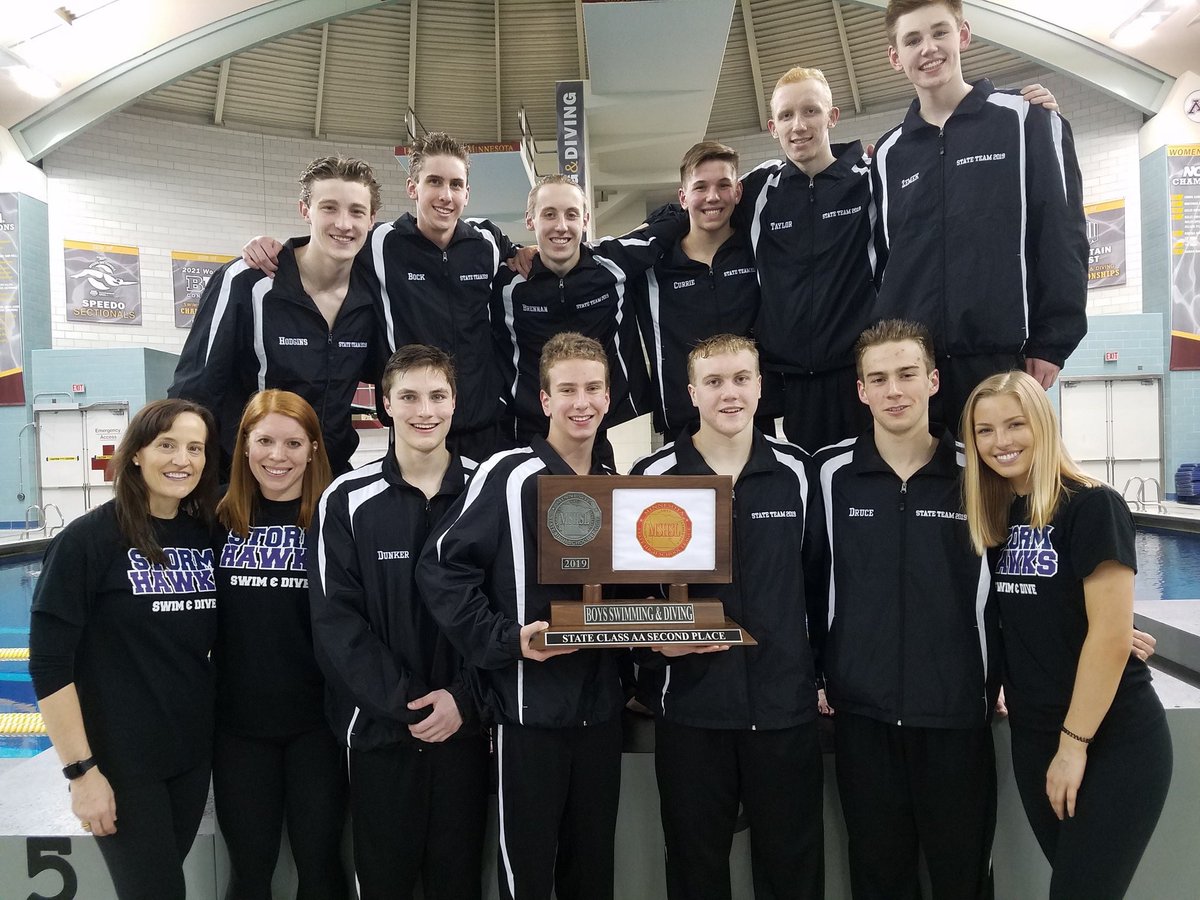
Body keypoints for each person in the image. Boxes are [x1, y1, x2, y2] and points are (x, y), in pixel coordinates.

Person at [417, 332, 625, 900]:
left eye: (592, 389)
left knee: (592, 873)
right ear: (545, 399)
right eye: (567, 390)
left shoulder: (618, 483)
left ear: (608, 398)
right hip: (529, 713)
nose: (581, 402)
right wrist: (508, 640)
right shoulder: (507, 472)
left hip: (601, 713)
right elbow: (441, 568)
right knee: (526, 877)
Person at [962, 371, 1172, 899]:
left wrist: (1074, 746)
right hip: (1035, 736)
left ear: (1044, 424)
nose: (1001, 441)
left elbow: (1107, 635)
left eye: (1016, 424)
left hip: (1109, 737)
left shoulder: (1091, 505)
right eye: (984, 431)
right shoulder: (993, 516)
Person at [630, 334, 824, 900]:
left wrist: (818, 678)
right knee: (694, 869)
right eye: (714, 382)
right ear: (692, 392)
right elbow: (625, 595)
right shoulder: (652, 477)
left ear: (761, 386)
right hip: (691, 712)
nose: (729, 393)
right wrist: (653, 641)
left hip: (784, 712)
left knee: (792, 870)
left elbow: (820, 583)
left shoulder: (799, 473)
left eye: (741, 378)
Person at [811, 319, 998, 899]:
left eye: (907, 374)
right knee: (878, 879)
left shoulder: (979, 474)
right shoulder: (829, 475)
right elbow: (806, 582)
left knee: (962, 879)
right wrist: (821, 671)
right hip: (861, 717)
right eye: (879, 378)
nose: (894, 390)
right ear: (860, 390)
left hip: (957, 716)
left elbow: (1025, 578)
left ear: (933, 380)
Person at [309, 345, 489, 900]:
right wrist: (407, 703)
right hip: (382, 733)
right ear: (385, 404)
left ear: (455, 403)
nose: (424, 411)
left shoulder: (489, 491)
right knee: (384, 884)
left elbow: (507, 610)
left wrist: (464, 698)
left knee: (456, 883)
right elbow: (336, 621)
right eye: (408, 397)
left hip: (467, 728)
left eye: (437, 396)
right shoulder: (347, 498)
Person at [28, 398, 221, 900]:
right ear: (136, 453)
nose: (183, 459)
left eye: (195, 448)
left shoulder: (205, 536)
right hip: (120, 762)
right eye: (167, 445)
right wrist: (81, 773)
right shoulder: (87, 542)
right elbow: (50, 665)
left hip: (188, 756)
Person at [872, 0, 1088, 432]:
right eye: (913, 39)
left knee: (1002, 494)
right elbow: (885, 263)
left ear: (963, 36)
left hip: (1003, 359)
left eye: (940, 33)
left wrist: (1052, 343)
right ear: (896, 57)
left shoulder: (1026, 119)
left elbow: (1063, 234)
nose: (928, 48)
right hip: (917, 373)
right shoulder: (888, 153)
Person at [242, 133, 519, 461]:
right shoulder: (378, 244)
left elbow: (522, 255)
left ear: (467, 193)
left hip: (485, 429)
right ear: (412, 188)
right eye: (434, 181)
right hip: (412, 427)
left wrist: (526, 252)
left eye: (456, 184)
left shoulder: (487, 241)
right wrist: (268, 244)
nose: (446, 195)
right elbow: (330, 243)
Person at [170, 155, 385, 475]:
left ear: (371, 219)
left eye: (356, 211)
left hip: (327, 477)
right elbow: (193, 395)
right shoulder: (247, 281)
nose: (343, 223)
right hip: (251, 481)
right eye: (329, 208)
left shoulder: (372, 295)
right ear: (305, 211)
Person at [212, 389, 347, 900]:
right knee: (249, 871)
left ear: (313, 448)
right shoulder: (216, 521)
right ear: (244, 445)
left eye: (293, 443)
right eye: (264, 441)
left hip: (318, 727)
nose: (277, 456)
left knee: (320, 865)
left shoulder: (337, 521)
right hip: (239, 731)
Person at [492, 175, 663, 456]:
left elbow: (672, 216)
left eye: (571, 214)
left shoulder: (611, 264)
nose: (561, 226)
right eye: (549, 214)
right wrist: (514, 251)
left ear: (584, 220)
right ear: (530, 220)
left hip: (593, 436)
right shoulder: (504, 283)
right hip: (520, 437)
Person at [632, 142, 779, 438]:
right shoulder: (652, 267)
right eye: (700, 187)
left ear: (738, 192)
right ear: (683, 197)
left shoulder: (760, 251)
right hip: (683, 427)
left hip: (753, 421)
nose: (713, 197)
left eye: (723, 185)